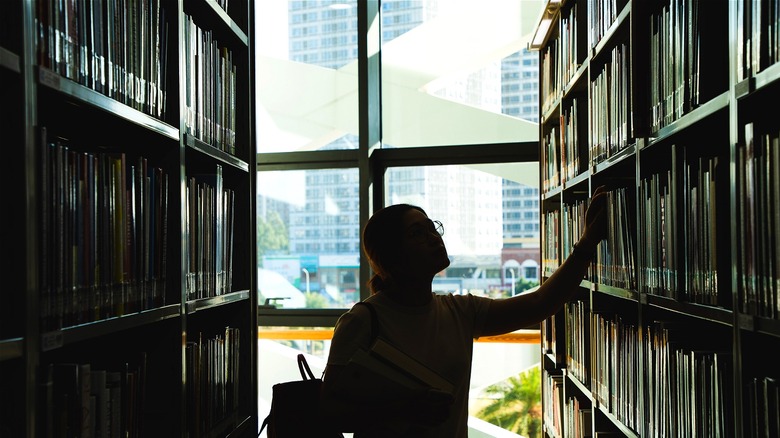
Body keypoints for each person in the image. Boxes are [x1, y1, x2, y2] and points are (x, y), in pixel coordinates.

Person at [321, 186, 609, 437]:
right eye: (417, 233)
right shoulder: (362, 321)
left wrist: (586, 245)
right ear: (391, 256)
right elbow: (329, 412)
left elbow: (538, 306)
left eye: (432, 227)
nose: (434, 237)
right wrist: (402, 409)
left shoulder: (459, 311)